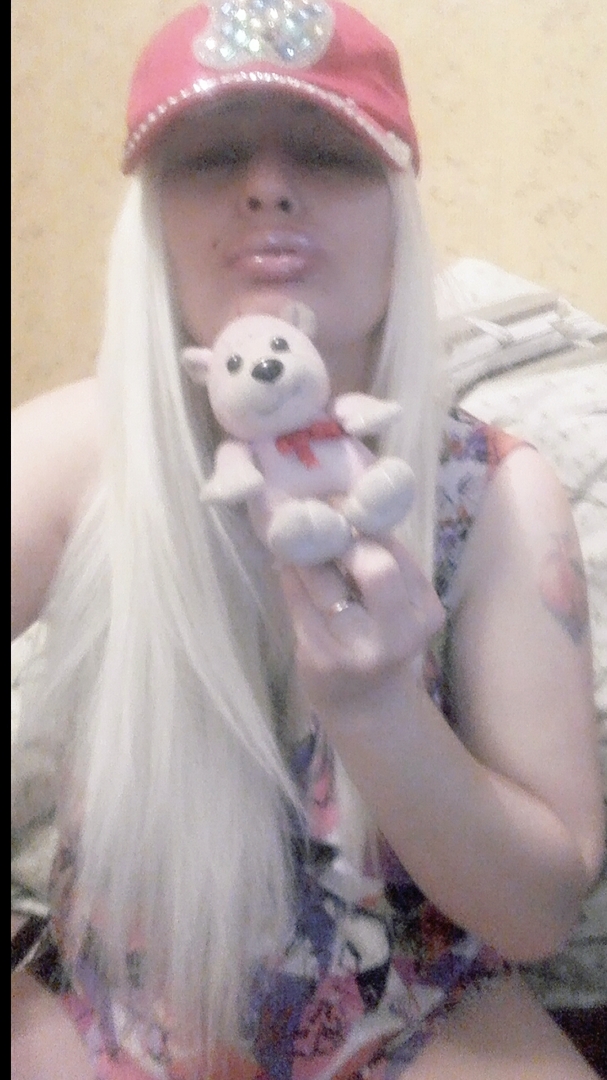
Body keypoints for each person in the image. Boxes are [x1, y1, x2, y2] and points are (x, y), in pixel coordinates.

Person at [10, 2, 605, 1077]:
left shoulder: (495, 499)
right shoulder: (77, 452)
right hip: (105, 1009)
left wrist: (380, 710)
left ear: (399, 211)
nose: (267, 187)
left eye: (329, 152)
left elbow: (537, 913)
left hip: (414, 1013)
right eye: (211, 155)